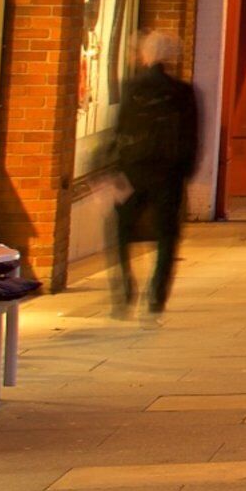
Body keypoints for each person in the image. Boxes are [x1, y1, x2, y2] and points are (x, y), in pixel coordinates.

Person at [99, 32, 202, 316]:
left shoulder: (133, 87)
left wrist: (113, 168)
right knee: (168, 235)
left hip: (133, 171)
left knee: (120, 229)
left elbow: (120, 130)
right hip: (168, 174)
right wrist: (185, 171)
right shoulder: (183, 92)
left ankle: (125, 286)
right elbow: (192, 137)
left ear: (145, 55)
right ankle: (157, 293)